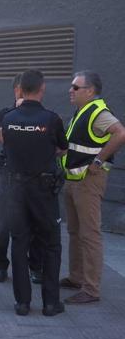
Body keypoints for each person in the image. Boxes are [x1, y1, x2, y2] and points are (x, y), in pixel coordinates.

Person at [1, 69, 68, 317]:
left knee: (19, 243)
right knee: (51, 244)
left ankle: (22, 303)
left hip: (17, 190)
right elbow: (62, 148)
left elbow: (7, 144)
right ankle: (51, 303)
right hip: (44, 190)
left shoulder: (8, 118)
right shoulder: (52, 119)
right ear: (42, 89)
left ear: (21, 89)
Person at [60, 70, 125, 304]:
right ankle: (77, 277)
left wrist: (98, 161)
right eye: (71, 86)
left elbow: (120, 133)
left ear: (90, 91)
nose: (71, 90)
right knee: (75, 232)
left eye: (76, 87)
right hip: (74, 181)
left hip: (88, 183)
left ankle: (91, 288)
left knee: (89, 234)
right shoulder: (81, 112)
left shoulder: (98, 112)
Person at [0, 74, 44, 284]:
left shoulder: (44, 115)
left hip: (35, 177)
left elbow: (50, 144)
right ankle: (0, 266)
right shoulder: (5, 114)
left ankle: (34, 267)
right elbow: (4, 137)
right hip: (10, 177)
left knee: (35, 225)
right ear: (16, 91)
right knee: (3, 226)